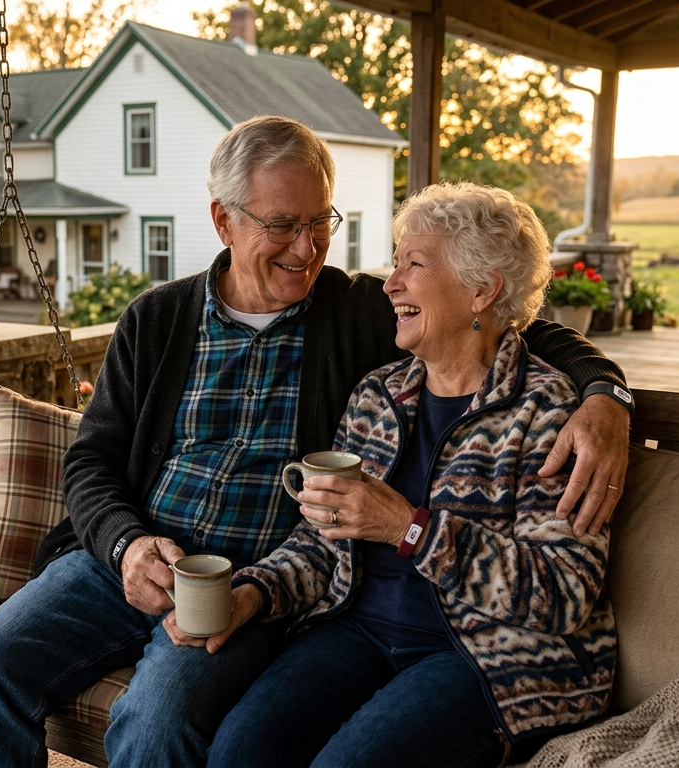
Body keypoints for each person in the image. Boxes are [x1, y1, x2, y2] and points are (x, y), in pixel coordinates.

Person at [0, 117, 630, 768]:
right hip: (140, 555)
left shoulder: (360, 314)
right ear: (224, 221)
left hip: (254, 575)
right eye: (281, 225)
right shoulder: (161, 321)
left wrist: (605, 397)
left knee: (158, 720)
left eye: (318, 223)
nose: (307, 248)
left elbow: (513, 327)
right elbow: (92, 460)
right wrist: (125, 543)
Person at [206, 182, 616, 768]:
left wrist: (409, 527)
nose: (390, 284)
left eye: (413, 265)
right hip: (359, 632)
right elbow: (324, 541)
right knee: (237, 752)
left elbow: (562, 594)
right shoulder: (380, 394)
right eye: (396, 263)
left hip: (486, 660)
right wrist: (253, 592)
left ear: (482, 290)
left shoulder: (548, 415)